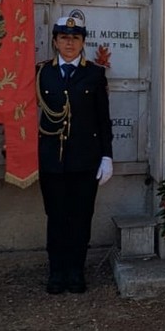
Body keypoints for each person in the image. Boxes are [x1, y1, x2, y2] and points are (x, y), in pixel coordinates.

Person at [36, 16, 114, 295]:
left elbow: (103, 120)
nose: (70, 43)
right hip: (51, 161)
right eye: (64, 38)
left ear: (83, 42)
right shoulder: (41, 73)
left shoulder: (94, 74)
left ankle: (76, 271)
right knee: (56, 217)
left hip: (85, 160)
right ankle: (56, 272)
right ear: (55, 41)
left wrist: (107, 156)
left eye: (75, 38)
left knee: (81, 218)